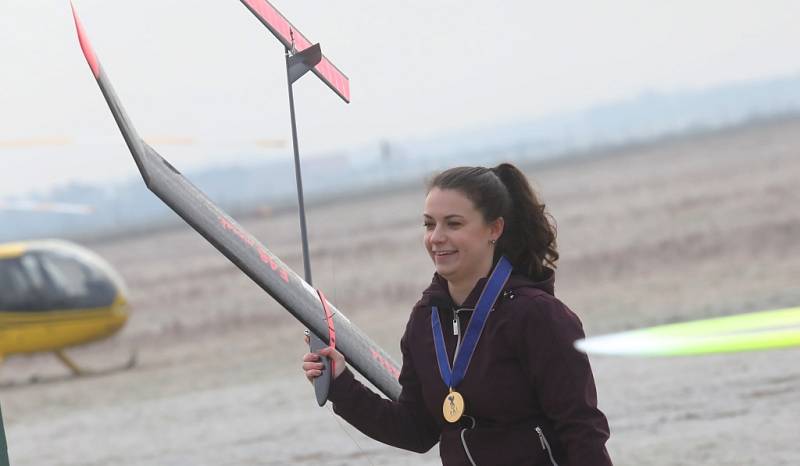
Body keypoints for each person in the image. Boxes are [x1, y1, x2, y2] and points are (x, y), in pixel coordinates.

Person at [302, 163, 612, 465]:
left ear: (494, 228)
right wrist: (340, 383)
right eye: (429, 224)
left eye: (453, 223)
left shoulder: (538, 316)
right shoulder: (425, 320)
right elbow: (415, 430)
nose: (436, 237)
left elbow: (583, 430)